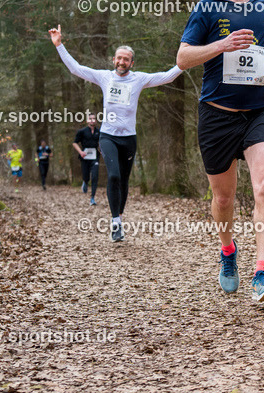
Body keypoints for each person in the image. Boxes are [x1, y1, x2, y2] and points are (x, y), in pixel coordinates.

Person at [177, 0, 264, 302]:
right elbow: (183, 58)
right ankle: (228, 252)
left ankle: (263, 273)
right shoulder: (207, 9)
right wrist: (221, 45)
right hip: (217, 115)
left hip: (258, 111)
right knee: (224, 200)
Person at [48, 25, 182, 241]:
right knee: (113, 175)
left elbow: (167, 76)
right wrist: (59, 45)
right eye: (119, 58)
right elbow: (76, 69)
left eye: (126, 59)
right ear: (113, 60)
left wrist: (185, 62)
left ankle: (119, 215)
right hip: (108, 136)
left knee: (125, 180)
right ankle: (115, 223)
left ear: (132, 63)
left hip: (129, 138)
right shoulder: (104, 77)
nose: (122, 62)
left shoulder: (138, 79)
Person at [72, 113, 100, 206]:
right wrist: (80, 152)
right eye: (90, 119)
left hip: (95, 157)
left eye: (94, 118)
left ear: (96, 120)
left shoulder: (99, 131)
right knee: (86, 176)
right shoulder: (82, 131)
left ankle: (92, 198)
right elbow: (75, 143)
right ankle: (85, 182)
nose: (92, 120)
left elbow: (102, 143)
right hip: (85, 157)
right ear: (87, 120)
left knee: (95, 176)